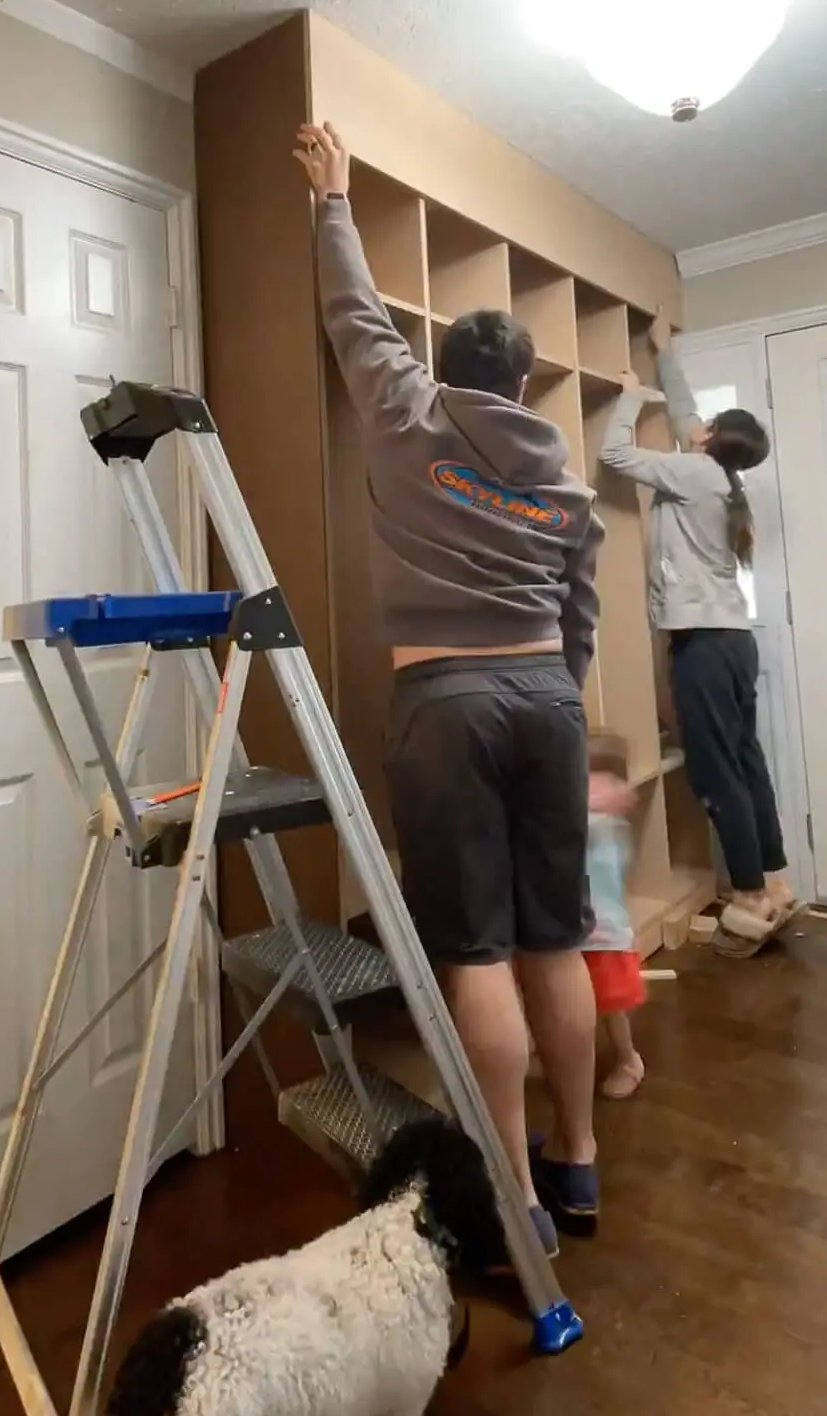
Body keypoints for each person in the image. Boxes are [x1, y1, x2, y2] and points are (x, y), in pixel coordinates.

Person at [294, 121, 605, 1251]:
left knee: (476, 952)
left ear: (450, 369)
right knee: (555, 940)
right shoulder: (566, 494)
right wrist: (550, 695)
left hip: (446, 705)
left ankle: (513, 1192)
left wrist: (333, 196)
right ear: (522, 384)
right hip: (548, 703)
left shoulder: (407, 413)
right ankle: (578, 1161)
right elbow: (579, 624)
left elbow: (352, 314)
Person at [598, 318, 793, 952]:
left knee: (715, 772)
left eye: (705, 426)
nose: (695, 425)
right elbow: (686, 414)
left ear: (711, 439)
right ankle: (775, 880)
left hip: (705, 645)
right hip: (733, 640)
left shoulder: (693, 473)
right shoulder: (722, 477)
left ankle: (749, 896)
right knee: (745, 760)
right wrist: (664, 355)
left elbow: (615, 455)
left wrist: (629, 397)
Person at [583, 732, 645, 1098]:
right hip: (575, 932)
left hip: (603, 934)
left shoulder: (606, 828)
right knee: (569, 1000)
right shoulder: (593, 823)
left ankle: (628, 1059)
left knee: (610, 1006)